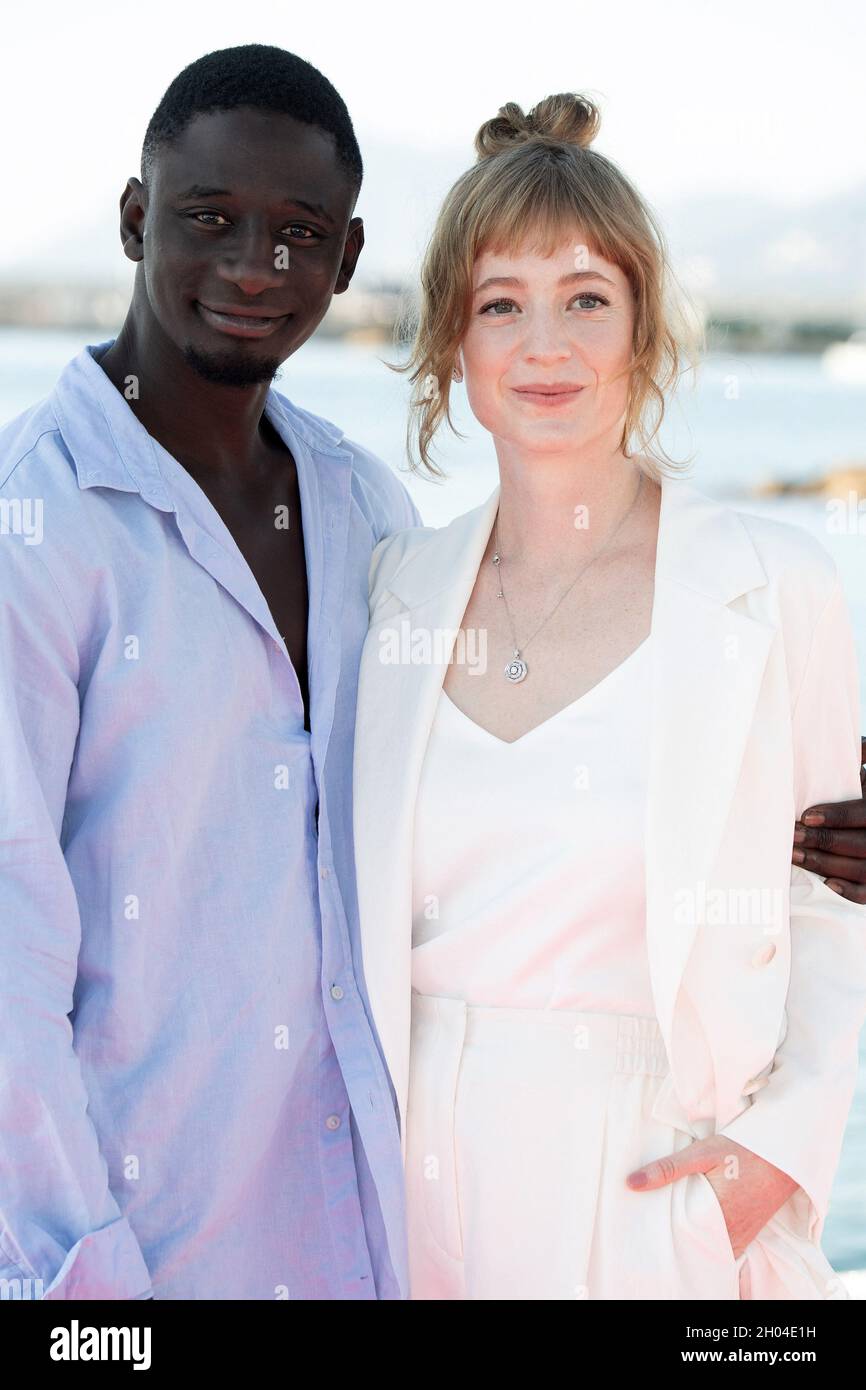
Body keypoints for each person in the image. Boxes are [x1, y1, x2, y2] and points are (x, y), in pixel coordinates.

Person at [352, 93, 866, 1299]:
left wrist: (761, 1168)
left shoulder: (769, 584)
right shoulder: (392, 591)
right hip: (413, 1196)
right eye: (499, 305)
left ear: (641, 328)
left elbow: (832, 905)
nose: (544, 345)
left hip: (663, 1191)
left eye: (585, 297)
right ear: (450, 345)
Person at [0, 44, 421, 1300]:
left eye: (298, 234)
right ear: (136, 221)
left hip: (357, 1238)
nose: (254, 267)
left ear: (345, 263)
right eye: (208, 219)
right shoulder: (36, 522)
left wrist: (783, 826)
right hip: (123, 1266)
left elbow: (485, 791)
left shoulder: (364, 509)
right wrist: (76, 1284)